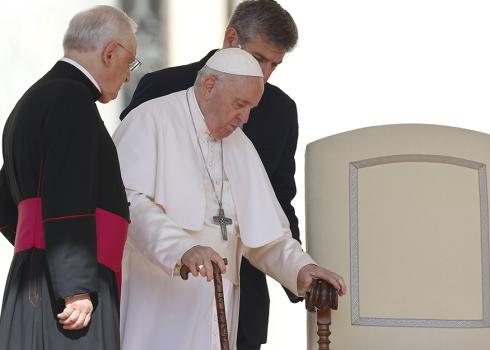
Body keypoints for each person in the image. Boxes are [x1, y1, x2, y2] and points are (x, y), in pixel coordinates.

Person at [114, 48, 346, 350]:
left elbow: (266, 237)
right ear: (209, 86)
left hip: (217, 309)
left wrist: (301, 268)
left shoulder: (239, 144)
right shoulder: (151, 119)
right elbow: (130, 203)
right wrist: (181, 248)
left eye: (251, 108)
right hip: (157, 308)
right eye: (240, 105)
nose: (245, 119)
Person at [120, 1, 301, 348]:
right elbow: (128, 194)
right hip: (159, 295)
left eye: (274, 65)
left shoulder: (278, 111)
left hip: (233, 301)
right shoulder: (160, 94)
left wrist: (300, 273)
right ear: (231, 38)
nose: (264, 74)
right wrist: (180, 248)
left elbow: (274, 210)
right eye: (260, 58)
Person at [0, 5, 138, 349]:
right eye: (130, 63)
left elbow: (5, 200)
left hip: (34, 280)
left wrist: (34, 251)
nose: (127, 76)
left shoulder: (34, 98)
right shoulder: (72, 99)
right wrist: (76, 287)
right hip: (66, 296)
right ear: (110, 53)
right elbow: (68, 191)